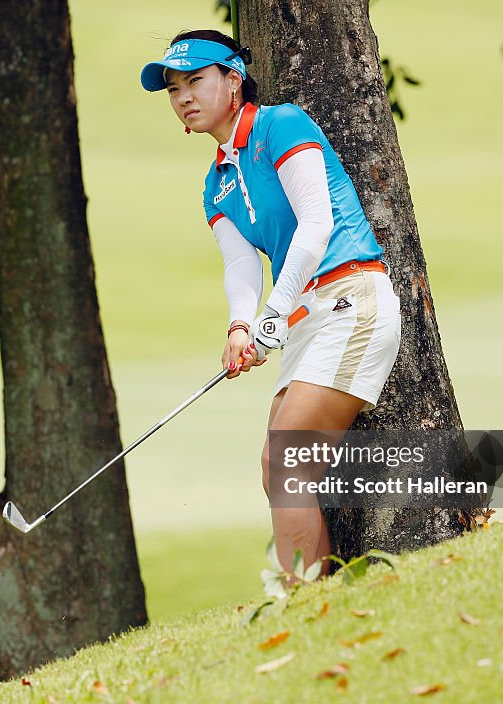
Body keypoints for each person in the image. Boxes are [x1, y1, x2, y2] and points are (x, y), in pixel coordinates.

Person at [140, 30, 401, 579]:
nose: (183, 96)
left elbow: (316, 224)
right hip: (309, 315)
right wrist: (240, 326)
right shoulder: (216, 184)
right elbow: (240, 265)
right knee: (276, 466)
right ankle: (310, 598)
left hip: (350, 298)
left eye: (196, 80)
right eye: (173, 88)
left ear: (234, 78)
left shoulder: (282, 125)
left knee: (287, 459)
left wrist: (273, 314)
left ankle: (309, 604)